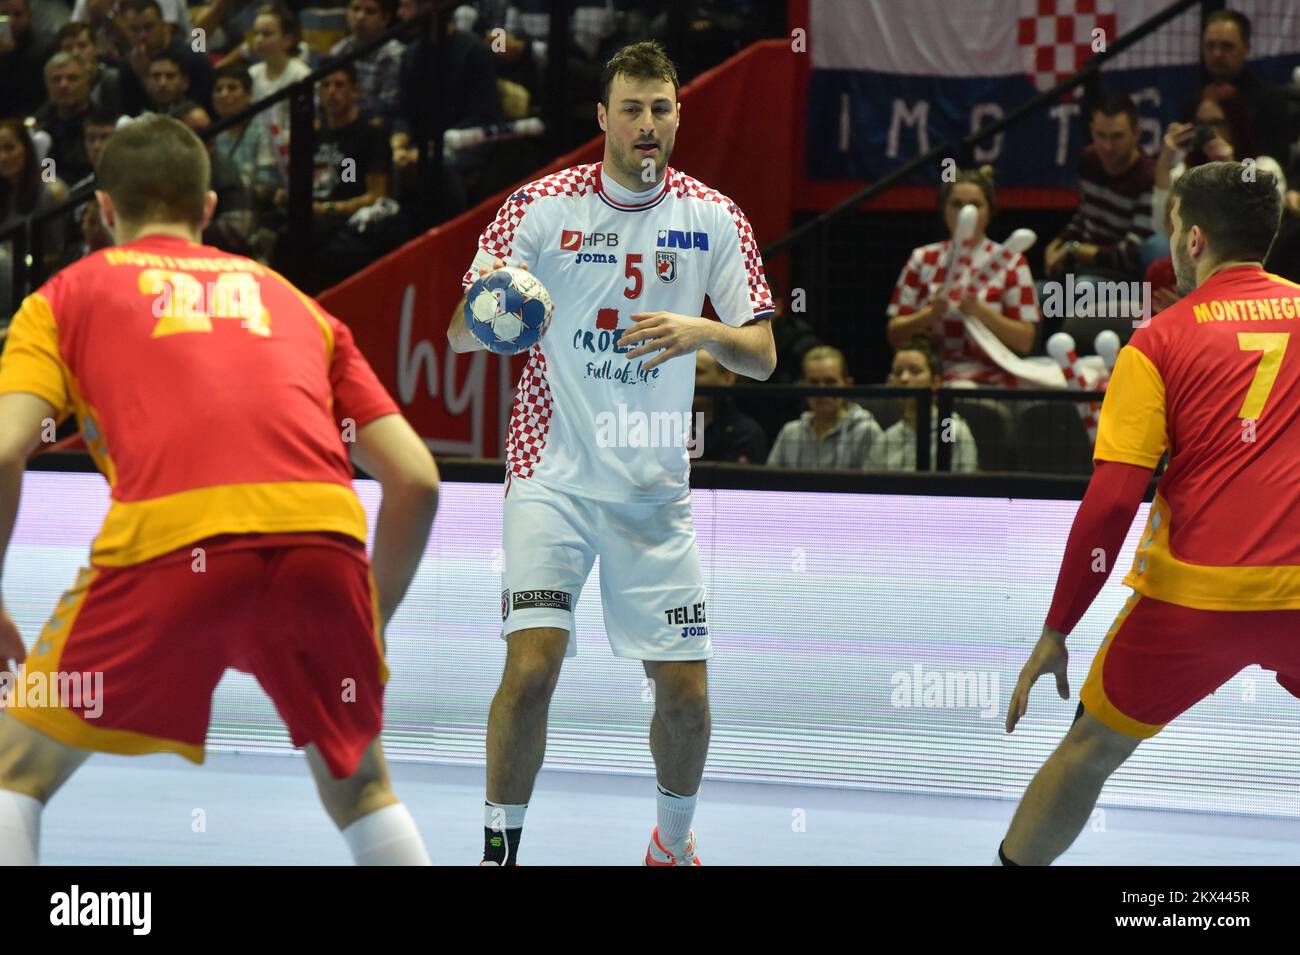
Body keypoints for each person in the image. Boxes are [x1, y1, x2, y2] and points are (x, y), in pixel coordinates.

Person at [0, 114, 440, 866]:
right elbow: (418, 481)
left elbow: (6, 450)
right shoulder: (303, 306)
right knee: (362, 788)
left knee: (14, 772)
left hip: (170, 546)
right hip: (323, 543)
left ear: (103, 210)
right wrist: (367, 619)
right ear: (208, 210)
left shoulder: (64, 297)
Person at [447, 40, 776, 866]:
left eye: (661, 109)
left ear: (677, 116)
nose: (647, 125)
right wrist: (499, 309)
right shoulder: (541, 209)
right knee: (531, 670)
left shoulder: (714, 216)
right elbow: (458, 334)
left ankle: (670, 846)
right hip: (551, 476)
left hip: (654, 493)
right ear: (602, 118)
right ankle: (498, 852)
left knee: (688, 699)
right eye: (630, 109)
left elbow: (763, 355)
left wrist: (701, 331)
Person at [999, 161, 1298, 866]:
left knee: (1091, 748)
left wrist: (1057, 626)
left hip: (1194, 598)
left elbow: (1110, 503)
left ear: (1193, 240)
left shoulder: (1159, 340)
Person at [887, 166, 1039, 386]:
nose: (965, 212)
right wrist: (931, 313)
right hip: (929, 376)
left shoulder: (1011, 262)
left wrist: (978, 309)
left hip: (991, 377)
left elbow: (1025, 341)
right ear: (944, 209)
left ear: (989, 211)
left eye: (975, 205)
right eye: (956, 204)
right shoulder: (923, 258)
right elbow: (895, 335)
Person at [1044, 94, 1156, 286]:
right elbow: (1084, 217)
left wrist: (1073, 250)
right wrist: (1056, 245)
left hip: (1124, 280)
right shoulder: (1089, 159)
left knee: (1083, 288)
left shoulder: (1148, 177)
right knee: (1032, 296)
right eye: (1100, 135)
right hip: (1082, 267)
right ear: (1091, 131)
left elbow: (1130, 255)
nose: (1108, 146)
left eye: (1117, 136)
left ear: (1136, 133)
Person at [1177, 9, 1294, 168]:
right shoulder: (1194, 102)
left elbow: (1275, 168)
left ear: (1245, 49)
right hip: (1200, 186)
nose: (1217, 54)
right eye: (1210, 46)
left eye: (1227, 46)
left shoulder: (1269, 102)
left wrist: (1231, 163)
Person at [869, 336, 977, 473]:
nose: (904, 378)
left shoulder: (949, 428)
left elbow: (962, 488)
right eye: (898, 372)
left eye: (915, 371)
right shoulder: (887, 438)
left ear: (935, 382)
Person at [766, 346, 881, 470]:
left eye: (830, 382)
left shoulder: (867, 431)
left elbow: (876, 485)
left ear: (847, 385)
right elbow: (769, 483)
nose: (821, 390)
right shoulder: (790, 433)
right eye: (814, 382)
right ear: (803, 386)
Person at [328, 0, 405, 121]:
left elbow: (388, 106)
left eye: (370, 11)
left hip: (376, 128)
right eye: (355, 9)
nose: (360, 17)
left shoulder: (394, 55)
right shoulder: (338, 51)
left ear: (385, 19)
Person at [693, 350, 766, 464]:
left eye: (698, 372)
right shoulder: (674, 424)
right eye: (687, 372)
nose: (688, 379)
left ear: (728, 378)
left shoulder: (745, 433)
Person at [32, 51, 94, 185]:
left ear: (87, 82)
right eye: (56, 79)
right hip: (56, 200)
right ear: (47, 86)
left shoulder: (104, 123)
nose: (63, 85)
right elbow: (48, 177)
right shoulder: (42, 132)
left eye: (72, 78)